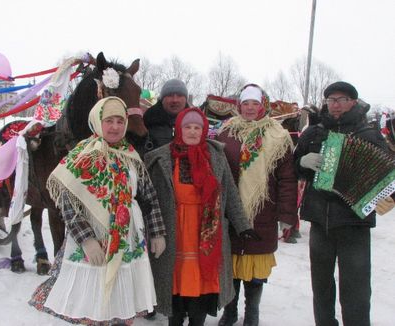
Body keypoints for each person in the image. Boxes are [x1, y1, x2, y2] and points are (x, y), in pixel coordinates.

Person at [29, 97, 167, 325]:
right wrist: (86, 240)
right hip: (95, 240)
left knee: (123, 303)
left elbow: (148, 195)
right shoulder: (83, 155)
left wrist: (158, 232)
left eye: (120, 121)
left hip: (129, 238)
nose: (115, 127)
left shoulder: (131, 155)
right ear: (97, 121)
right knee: (95, 304)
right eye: (109, 120)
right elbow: (68, 201)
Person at [144, 107, 258, 326]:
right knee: (173, 289)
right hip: (174, 233)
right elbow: (149, 198)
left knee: (202, 289)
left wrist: (243, 225)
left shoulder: (216, 156)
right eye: (188, 127)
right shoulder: (159, 159)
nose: (193, 131)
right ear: (179, 129)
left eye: (198, 127)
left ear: (204, 129)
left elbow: (230, 194)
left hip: (207, 236)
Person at [294, 81, 395, 326]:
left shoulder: (368, 134)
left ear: (352, 102)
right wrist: (302, 162)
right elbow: (293, 165)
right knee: (321, 285)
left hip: (354, 223)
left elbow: (387, 175)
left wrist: (382, 198)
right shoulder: (314, 132)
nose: (335, 105)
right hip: (319, 220)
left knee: (356, 287)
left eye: (341, 99)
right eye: (331, 100)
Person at [216, 84, 298, 326]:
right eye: (246, 103)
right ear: (239, 106)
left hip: (263, 212)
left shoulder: (278, 135)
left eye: (255, 103)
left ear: (263, 105)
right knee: (231, 267)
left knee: (255, 272)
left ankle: (252, 313)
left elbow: (287, 179)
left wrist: (286, 214)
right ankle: (229, 312)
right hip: (231, 212)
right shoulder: (226, 133)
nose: (250, 108)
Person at [143, 79, 189, 152]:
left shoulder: (196, 124)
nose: (175, 100)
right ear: (162, 99)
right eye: (170, 95)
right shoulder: (147, 122)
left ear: (186, 99)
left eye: (179, 95)